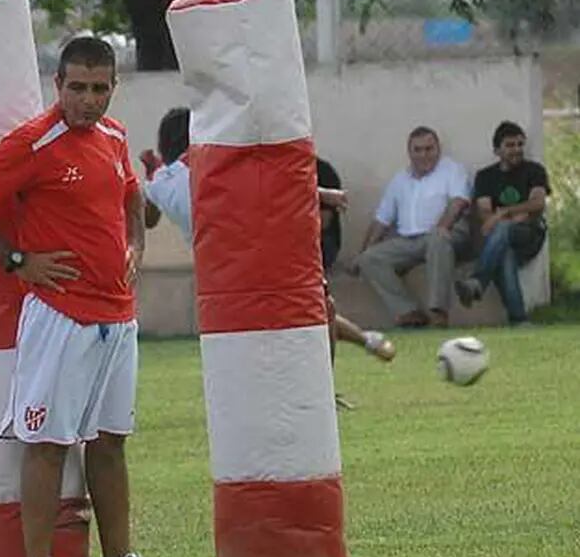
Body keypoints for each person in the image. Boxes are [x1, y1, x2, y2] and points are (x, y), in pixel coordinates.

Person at [0, 37, 191, 557]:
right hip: (60, 316)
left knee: (109, 443)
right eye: (77, 87)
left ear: (113, 87)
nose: (88, 99)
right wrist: (17, 261)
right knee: (48, 445)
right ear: (59, 85)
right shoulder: (34, 141)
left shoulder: (115, 137)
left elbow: (132, 199)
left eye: (99, 88)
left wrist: (135, 244)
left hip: (117, 316)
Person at [140, 107, 394, 368]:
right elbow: (269, 183)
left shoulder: (160, 181)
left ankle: (364, 342)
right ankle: (325, 382)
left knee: (290, 318)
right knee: (315, 306)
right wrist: (323, 194)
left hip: (218, 272)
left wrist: (152, 175)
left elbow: (148, 219)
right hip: (256, 253)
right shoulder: (209, 164)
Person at [350, 126, 471, 328]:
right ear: (410, 152)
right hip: (409, 241)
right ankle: (409, 312)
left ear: (438, 149)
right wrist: (362, 253)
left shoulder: (451, 169)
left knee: (438, 239)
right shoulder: (400, 179)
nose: (424, 155)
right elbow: (382, 220)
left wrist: (442, 227)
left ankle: (438, 313)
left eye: (429, 149)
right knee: (369, 259)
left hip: (448, 232)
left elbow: (458, 203)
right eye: (418, 150)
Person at [455, 121, 549, 325]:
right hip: (500, 236)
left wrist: (503, 213)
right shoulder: (485, 177)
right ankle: (519, 320)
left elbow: (537, 203)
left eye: (519, 144)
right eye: (510, 145)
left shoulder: (534, 170)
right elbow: (485, 215)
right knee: (505, 253)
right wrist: (514, 214)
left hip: (530, 234)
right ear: (497, 150)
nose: (516, 149)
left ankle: (478, 281)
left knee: (503, 227)